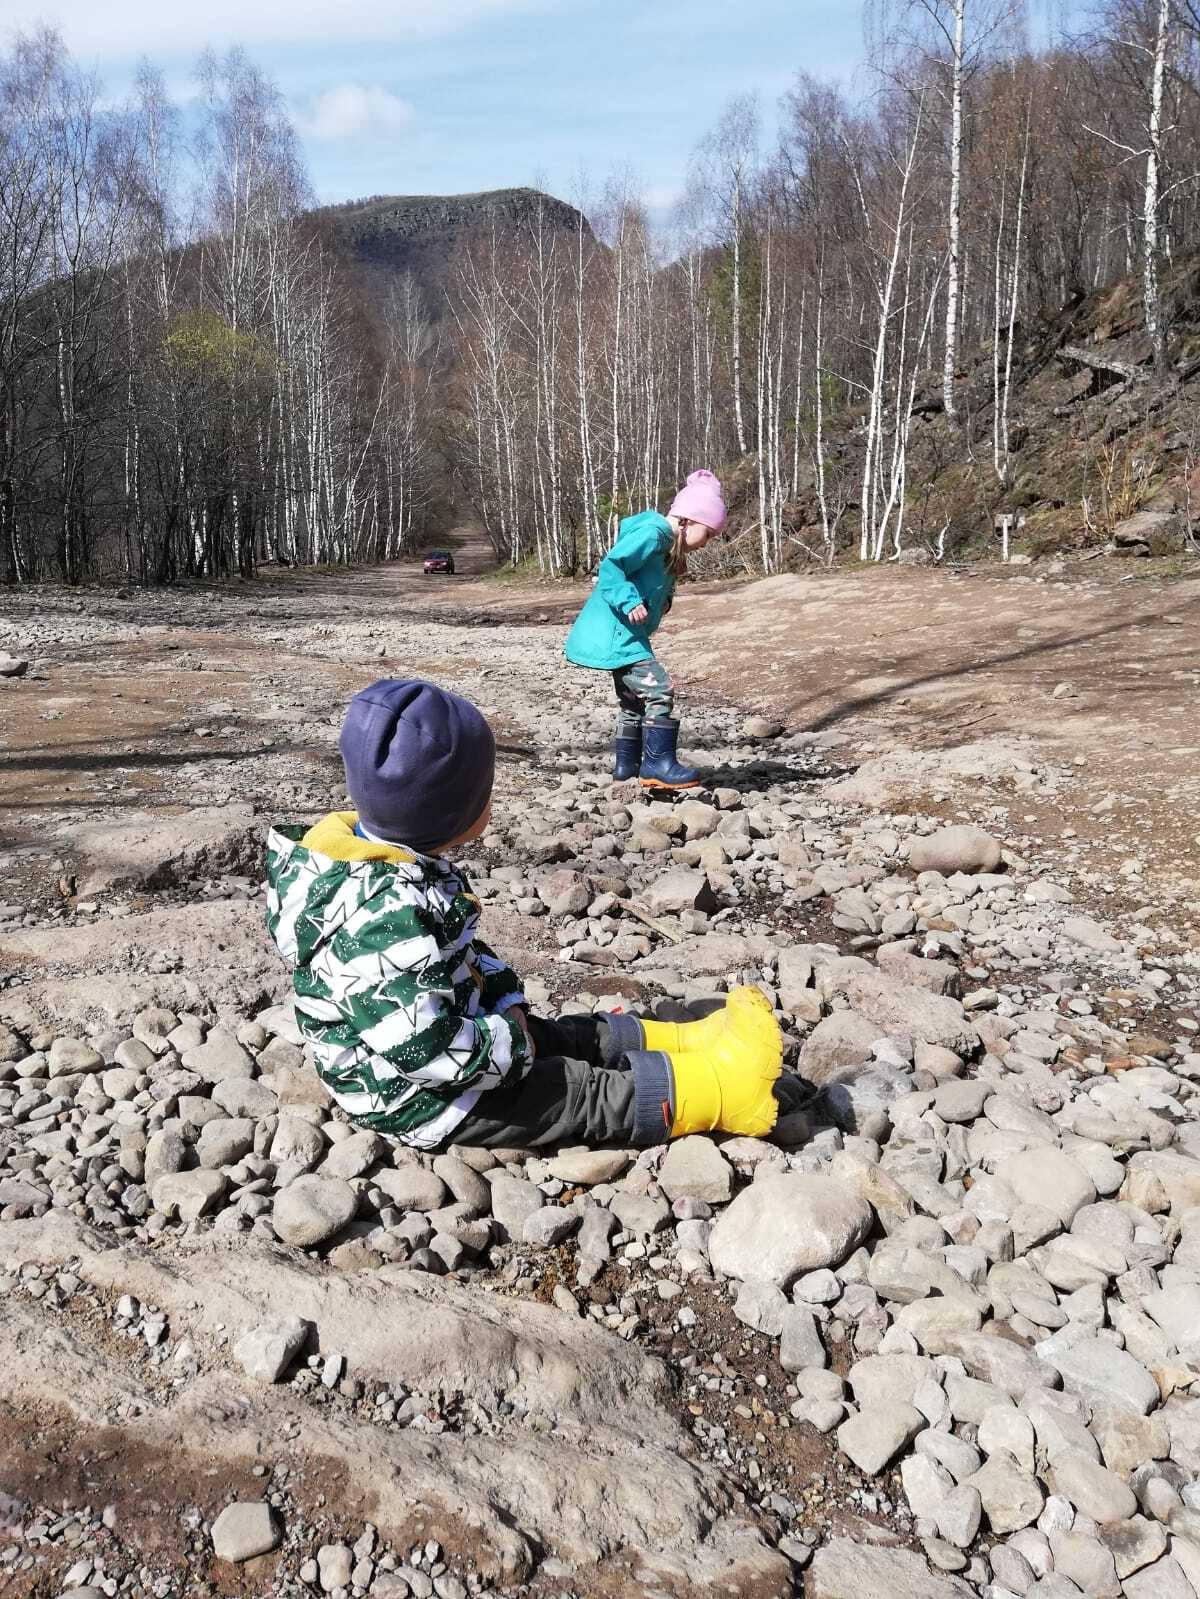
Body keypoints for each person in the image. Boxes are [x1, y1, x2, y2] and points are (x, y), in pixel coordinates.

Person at [265, 677, 785, 1151]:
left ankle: (692, 1042)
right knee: (573, 1093)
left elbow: (457, 952)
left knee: (568, 1036)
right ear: (451, 814)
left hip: (454, 1039)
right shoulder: (379, 918)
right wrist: (511, 1043)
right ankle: (723, 1091)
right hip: (418, 1096)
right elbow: (425, 1052)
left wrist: (504, 1000)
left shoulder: (386, 864)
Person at [564, 469, 727, 788]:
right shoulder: (654, 534)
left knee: (633, 701)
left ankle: (626, 768)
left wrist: (665, 599)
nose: (706, 543)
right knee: (659, 689)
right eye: (708, 534)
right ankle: (657, 764)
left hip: (625, 635)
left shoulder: (666, 545)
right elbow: (613, 565)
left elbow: (654, 579)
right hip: (618, 636)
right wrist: (628, 601)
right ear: (688, 520)